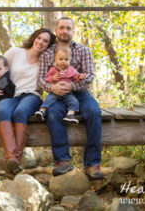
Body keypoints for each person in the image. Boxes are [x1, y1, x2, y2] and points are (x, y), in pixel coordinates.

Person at [38, 17, 104, 180]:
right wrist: (51, 87)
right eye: (61, 27)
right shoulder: (47, 53)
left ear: (73, 31)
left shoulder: (83, 50)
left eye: (68, 28)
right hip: (57, 95)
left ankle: (92, 164)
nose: (65, 31)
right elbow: (40, 79)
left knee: (94, 112)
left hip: (81, 93)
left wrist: (73, 86)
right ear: (56, 30)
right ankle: (63, 161)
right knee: (53, 113)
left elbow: (89, 75)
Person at [0, 28, 56, 179]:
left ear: (49, 45)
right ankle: (13, 159)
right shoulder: (14, 52)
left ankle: (13, 159)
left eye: (46, 41)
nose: (41, 42)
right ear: (33, 38)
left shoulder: (46, 61)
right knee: (2, 111)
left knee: (20, 112)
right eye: (39, 38)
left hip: (32, 96)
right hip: (10, 94)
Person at [35, 45, 86, 125]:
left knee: (74, 102)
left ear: (70, 60)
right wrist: (53, 78)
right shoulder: (53, 70)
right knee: (48, 100)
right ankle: (42, 111)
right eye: (61, 59)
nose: (63, 61)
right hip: (54, 92)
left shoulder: (71, 70)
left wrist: (80, 77)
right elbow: (47, 79)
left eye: (66, 59)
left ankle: (70, 115)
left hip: (67, 93)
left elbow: (76, 76)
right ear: (56, 59)